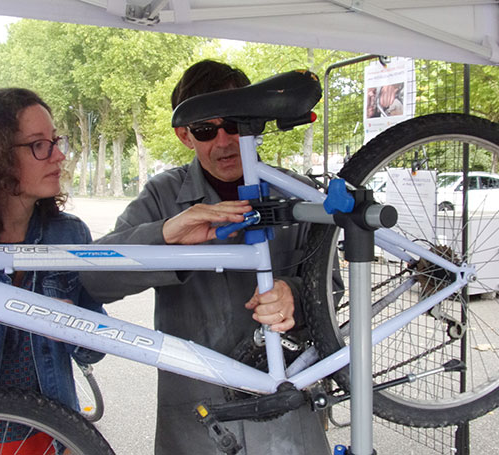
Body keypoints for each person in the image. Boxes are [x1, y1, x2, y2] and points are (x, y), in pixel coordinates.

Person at [80, 60, 330, 454]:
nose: (225, 141)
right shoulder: (162, 196)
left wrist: (294, 296)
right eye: (205, 129)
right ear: (184, 136)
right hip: (197, 426)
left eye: (235, 123)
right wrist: (168, 238)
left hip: (290, 421)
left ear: (258, 121)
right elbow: (95, 279)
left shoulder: (297, 194)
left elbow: (331, 287)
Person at [0, 88, 103, 455]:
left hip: (55, 437)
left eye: (55, 141)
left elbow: (94, 352)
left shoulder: (69, 234)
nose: (59, 155)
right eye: (39, 144)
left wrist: (73, 326)